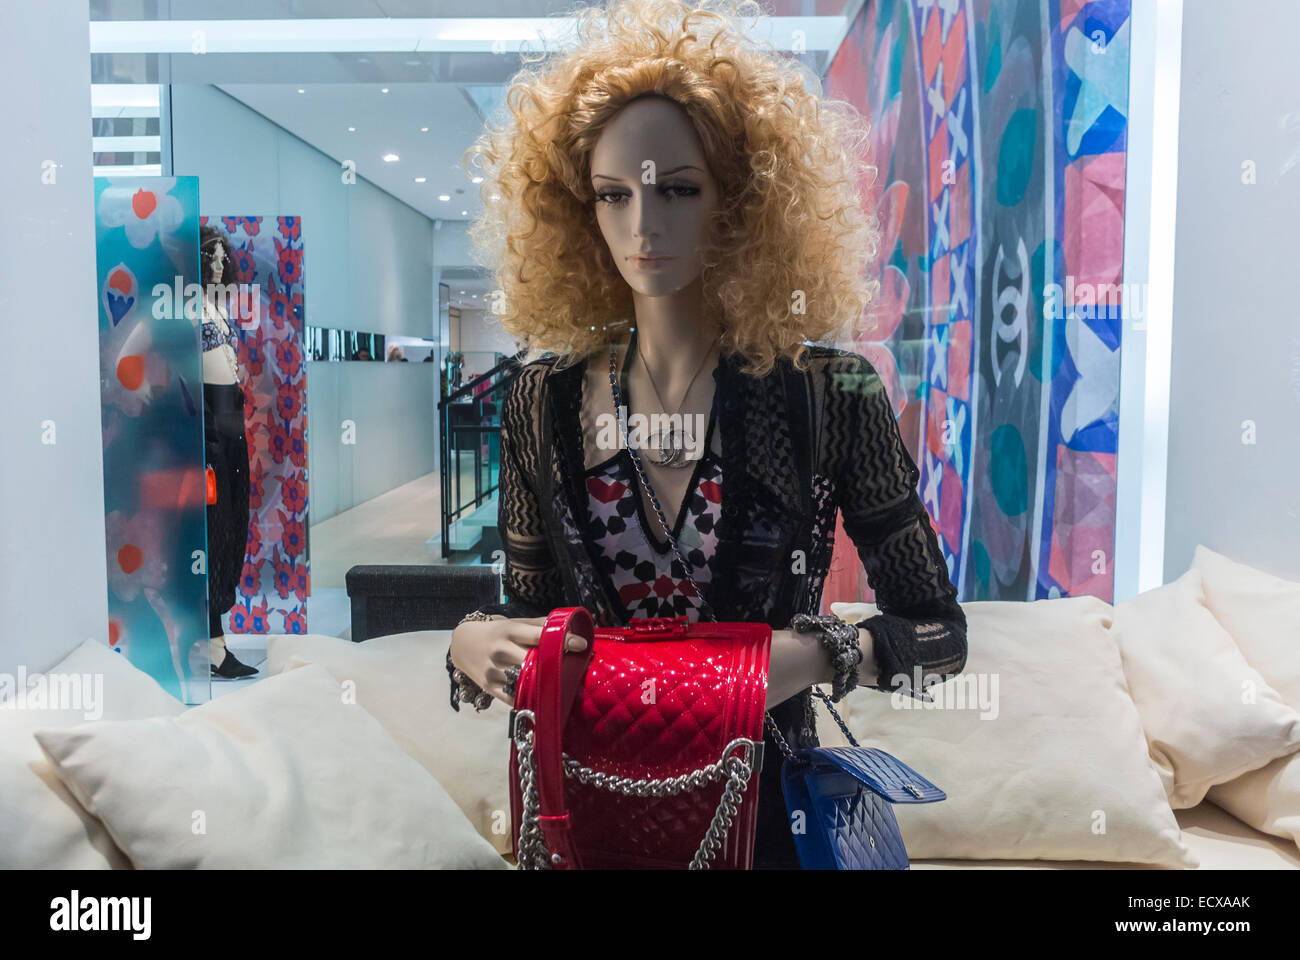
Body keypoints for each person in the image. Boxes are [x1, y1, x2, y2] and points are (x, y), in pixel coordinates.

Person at [447, 0, 967, 868]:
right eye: (613, 195)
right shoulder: (541, 400)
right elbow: (536, 614)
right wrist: (472, 640)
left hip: (764, 815)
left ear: (738, 200)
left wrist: (817, 654)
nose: (643, 226)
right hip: (594, 806)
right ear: (581, 212)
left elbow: (939, 636)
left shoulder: (829, 393)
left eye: (678, 189)